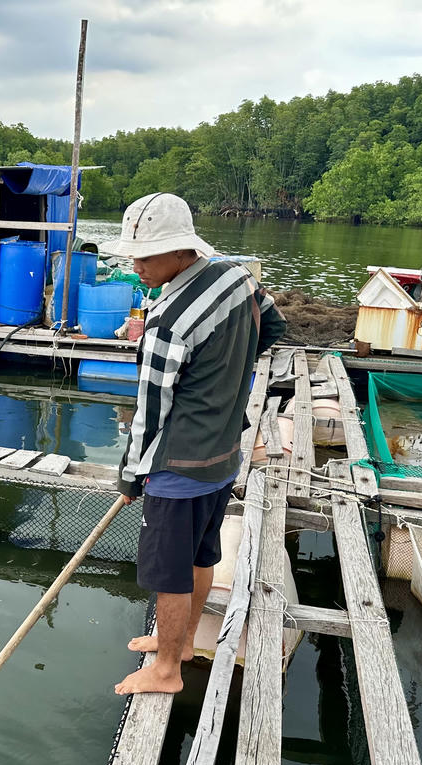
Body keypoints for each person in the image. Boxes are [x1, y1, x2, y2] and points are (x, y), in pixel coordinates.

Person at [100, 193, 286, 696]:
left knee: (169, 573)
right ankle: (176, 642)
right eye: (133, 254)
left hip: (177, 467)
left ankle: (166, 671)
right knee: (202, 556)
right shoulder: (238, 276)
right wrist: (226, 375)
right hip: (225, 455)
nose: (135, 265)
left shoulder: (167, 322)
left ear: (182, 251)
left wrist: (131, 475)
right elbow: (272, 326)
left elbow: (151, 412)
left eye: (147, 255)